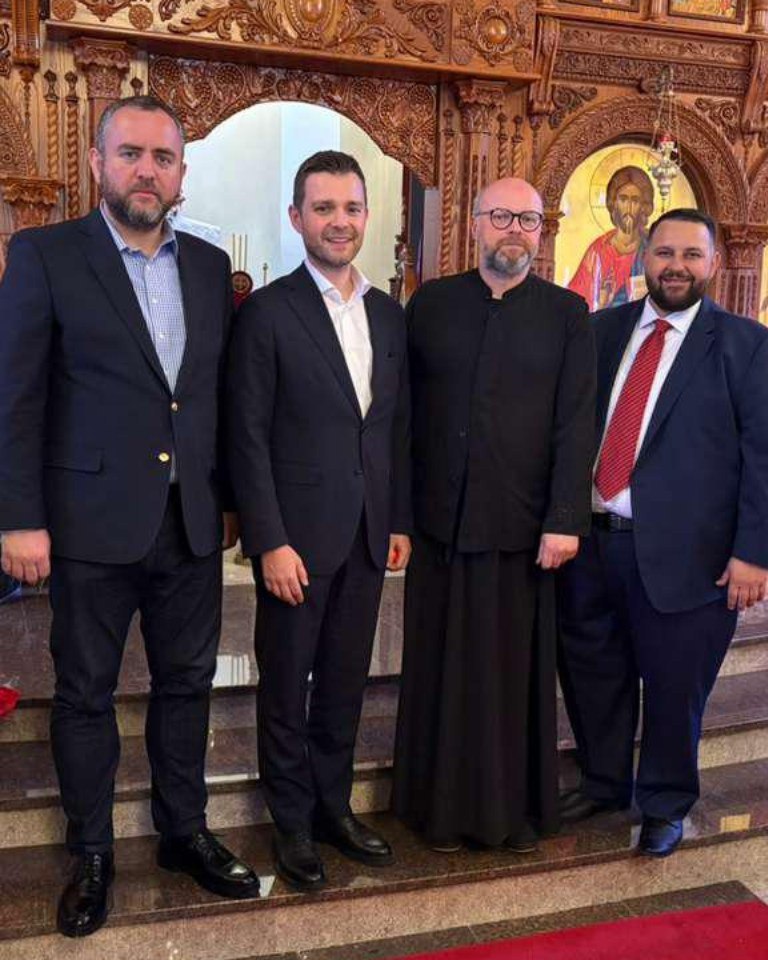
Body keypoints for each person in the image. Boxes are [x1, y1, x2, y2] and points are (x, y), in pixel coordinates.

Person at [0, 95, 259, 938]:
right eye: (131, 154)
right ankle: (92, 853)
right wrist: (18, 518)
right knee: (85, 694)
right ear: (98, 163)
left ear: (181, 172)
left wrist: (227, 503)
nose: (147, 171)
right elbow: (16, 396)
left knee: (188, 686)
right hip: (87, 524)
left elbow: (213, 397)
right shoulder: (45, 255)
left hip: (189, 523)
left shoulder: (208, 267)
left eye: (163, 157)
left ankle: (184, 833)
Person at [392, 177, 596, 852]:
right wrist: (398, 516)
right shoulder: (431, 304)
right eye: (502, 216)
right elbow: (403, 416)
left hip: (524, 529)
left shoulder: (567, 313)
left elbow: (576, 423)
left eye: (528, 220)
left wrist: (565, 518)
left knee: (510, 677)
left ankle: (510, 814)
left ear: (542, 231)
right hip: (439, 526)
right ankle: (434, 811)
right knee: (437, 668)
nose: (515, 230)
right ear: (475, 222)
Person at [558, 208, 768, 857]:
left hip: (691, 556)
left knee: (676, 688)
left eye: (691, 255)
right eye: (665, 253)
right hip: (593, 543)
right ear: (645, 257)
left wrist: (754, 554)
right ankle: (603, 782)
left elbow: (764, 456)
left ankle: (665, 803)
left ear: (713, 264)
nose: (676, 266)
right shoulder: (602, 330)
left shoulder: (746, 344)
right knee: (594, 673)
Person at [227, 151, 411, 892]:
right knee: (285, 687)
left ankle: (334, 808)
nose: (340, 221)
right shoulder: (268, 313)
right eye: (324, 207)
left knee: (343, 683)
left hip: (366, 535)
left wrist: (397, 519)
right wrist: (268, 540)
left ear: (366, 215)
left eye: (352, 208)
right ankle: (292, 823)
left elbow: (393, 428)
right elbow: (246, 436)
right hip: (295, 542)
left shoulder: (388, 313)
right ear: (297, 217)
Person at [568, 166, 654, 311]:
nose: (628, 207)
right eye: (623, 199)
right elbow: (574, 301)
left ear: (644, 206)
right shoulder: (598, 250)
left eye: (635, 200)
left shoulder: (652, 246)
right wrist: (601, 303)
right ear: (613, 203)